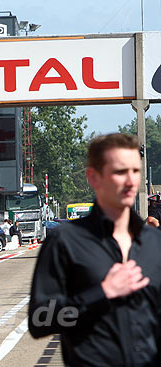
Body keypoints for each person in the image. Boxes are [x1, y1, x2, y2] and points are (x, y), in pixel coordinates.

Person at [28, 133, 161, 366]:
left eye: (135, 171)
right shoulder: (65, 241)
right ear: (94, 177)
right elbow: (40, 321)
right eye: (120, 172)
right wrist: (102, 292)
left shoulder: (155, 243)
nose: (131, 181)